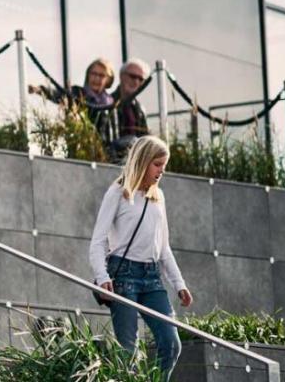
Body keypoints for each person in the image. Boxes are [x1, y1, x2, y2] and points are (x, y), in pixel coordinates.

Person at [89, 135, 192, 378]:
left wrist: (179, 284)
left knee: (171, 343)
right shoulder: (118, 192)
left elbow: (163, 246)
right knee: (128, 354)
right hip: (122, 276)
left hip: (151, 277)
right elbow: (98, 240)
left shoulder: (158, 197)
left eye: (164, 167)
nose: (161, 172)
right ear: (143, 161)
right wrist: (102, 276)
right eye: (157, 165)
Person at [29, 57, 117, 144]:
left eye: (101, 76)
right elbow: (58, 94)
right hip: (80, 148)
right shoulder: (78, 93)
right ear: (88, 75)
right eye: (93, 74)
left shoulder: (110, 102)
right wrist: (40, 90)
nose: (96, 78)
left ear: (109, 80)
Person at [111, 59, 151, 157]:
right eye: (132, 76)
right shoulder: (107, 103)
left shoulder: (140, 109)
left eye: (140, 79)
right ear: (121, 76)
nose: (136, 81)